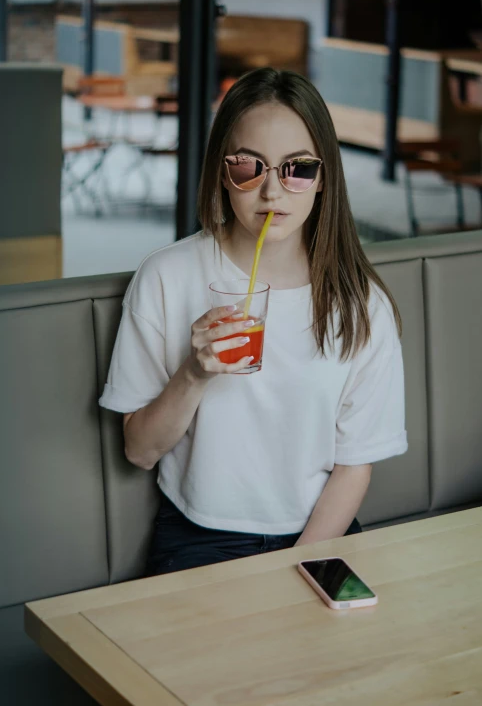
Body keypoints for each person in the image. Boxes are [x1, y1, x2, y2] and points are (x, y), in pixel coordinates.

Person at [99, 68, 408, 576]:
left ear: (323, 176)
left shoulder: (361, 303)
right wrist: (194, 373)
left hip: (320, 532)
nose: (272, 192)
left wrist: (297, 565)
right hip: (200, 538)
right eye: (249, 166)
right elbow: (139, 451)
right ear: (224, 172)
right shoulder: (167, 275)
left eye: (297, 168)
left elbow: (355, 465)